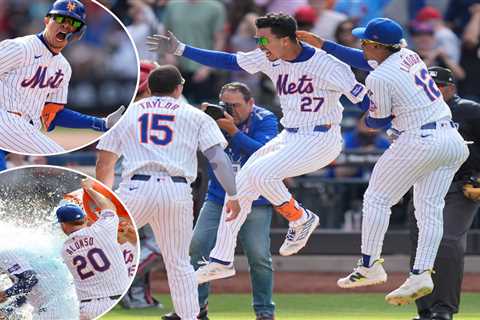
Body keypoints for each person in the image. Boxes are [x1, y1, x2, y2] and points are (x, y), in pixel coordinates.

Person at [146, 12, 369, 283]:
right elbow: (229, 60)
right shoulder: (269, 57)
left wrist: (390, 122)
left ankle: (300, 217)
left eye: (264, 39)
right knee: (239, 187)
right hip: (291, 135)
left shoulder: (328, 64)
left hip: (322, 138)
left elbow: (364, 100)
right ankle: (221, 260)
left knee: (262, 175)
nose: (260, 44)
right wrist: (181, 49)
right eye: (257, 38)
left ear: (286, 40)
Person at [297, 18, 469, 305]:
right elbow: (367, 60)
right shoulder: (408, 54)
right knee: (429, 209)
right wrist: (325, 45)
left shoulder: (378, 78)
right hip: (450, 140)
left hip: (418, 140)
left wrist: (355, 93)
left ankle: (369, 265)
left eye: (366, 41)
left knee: (376, 198)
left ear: (378, 45)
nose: (361, 45)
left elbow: (376, 121)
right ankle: (421, 273)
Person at [95, 65, 240, 320]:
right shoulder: (195, 115)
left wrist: (104, 200)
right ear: (179, 88)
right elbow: (218, 159)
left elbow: (105, 162)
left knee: (94, 242)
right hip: (176, 190)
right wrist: (234, 195)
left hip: (135, 189)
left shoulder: (130, 113)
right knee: (179, 265)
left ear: (149, 88)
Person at [163, 82, 278, 320]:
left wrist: (234, 132)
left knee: (259, 256)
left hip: (256, 197)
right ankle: (194, 309)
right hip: (219, 196)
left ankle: (265, 311)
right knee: (197, 247)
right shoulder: (211, 120)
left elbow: (265, 154)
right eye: (226, 104)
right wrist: (199, 117)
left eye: (236, 105)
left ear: (251, 103)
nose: (231, 110)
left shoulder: (265, 119)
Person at [0, 0, 124, 155]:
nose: (65, 25)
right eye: (60, 19)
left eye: (73, 22)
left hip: (22, 129)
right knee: (55, 155)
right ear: (46, 21)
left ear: (79, 33)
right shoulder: (20, 48)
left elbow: (53, 114)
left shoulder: (63, 67)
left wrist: (102, 123)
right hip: (6, 120)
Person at [408, 67, 480, 320]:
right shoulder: (414, 112)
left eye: (438, 86)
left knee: (447, 241)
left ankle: (443, 309)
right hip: (424, 185)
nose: (432, 90)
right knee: (420, 244)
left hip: (461, 187)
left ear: (451, 88)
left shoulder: (470, 110)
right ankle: (426, 310)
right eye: (427, 85)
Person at [58, 179, 130, 320]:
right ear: (86, 219)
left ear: (63, 225)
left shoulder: (64, 249)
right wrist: (89, 189)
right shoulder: (102, 230)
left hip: (87, 309)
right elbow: (109, 207)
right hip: (115, 302)